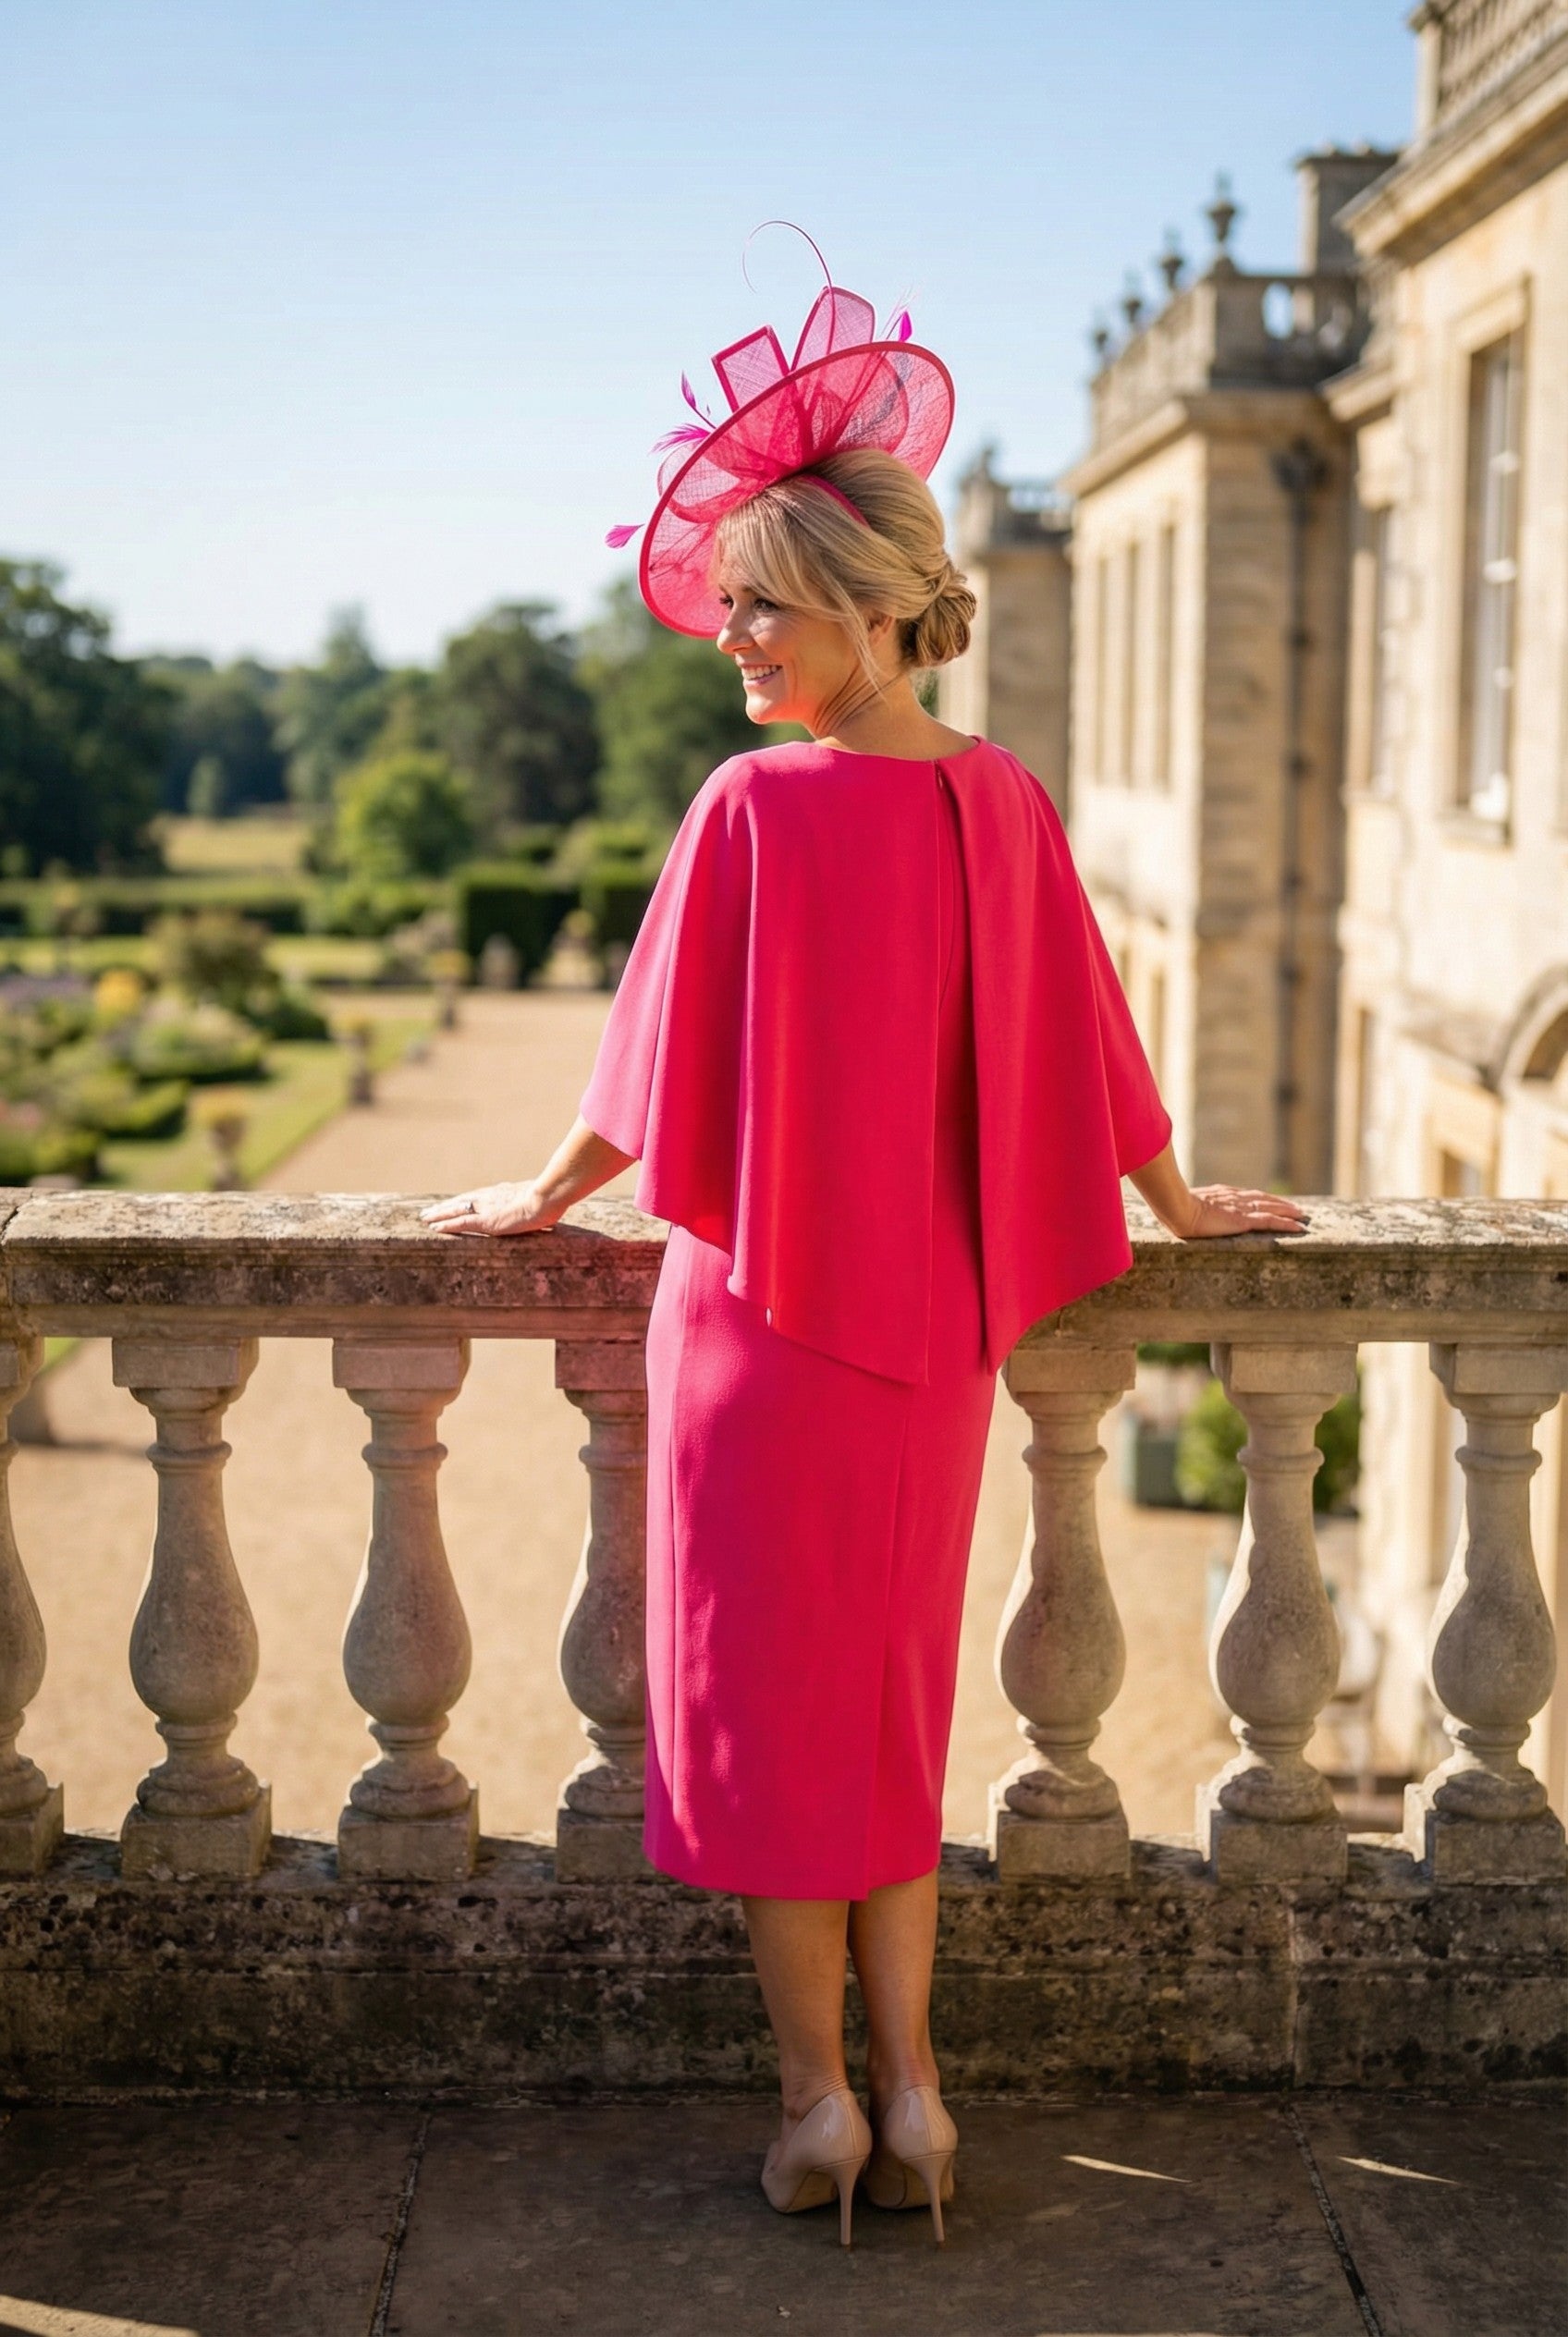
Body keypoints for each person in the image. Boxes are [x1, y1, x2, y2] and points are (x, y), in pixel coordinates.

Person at [423, 267, 1307, 2248]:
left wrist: (539, 1198)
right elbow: (1091, 1048)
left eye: (760, 603)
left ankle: (814, 2101)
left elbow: (644, 1079)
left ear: (871, 609)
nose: (728, 636)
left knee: (771, 1734)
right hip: (924, 1353)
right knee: (891, 1720)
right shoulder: (1001, 801)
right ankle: (917, 2097)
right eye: (732, 599)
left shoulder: (747, 806)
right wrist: (1174, 1206)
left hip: (754, 1339)